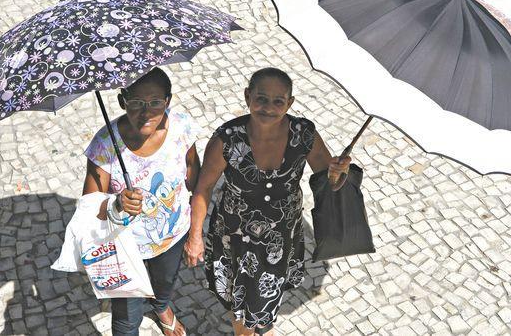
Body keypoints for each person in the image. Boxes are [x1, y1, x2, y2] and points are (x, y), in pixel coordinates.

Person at [183, 67, 350, 335]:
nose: (268, 108)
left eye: (278, 101)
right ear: (248, 96)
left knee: (267, 289)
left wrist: (337, 173)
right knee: (240, 297)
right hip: (236, 237)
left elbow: (326, 180)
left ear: (290, 103)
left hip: (282, 236)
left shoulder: (304, 134)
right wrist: (195, 236)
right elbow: (203, 188)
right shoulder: (227, 138)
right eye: (261, 98)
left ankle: (262, 322)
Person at [83, 67, 199, 336]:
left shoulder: (182, 127)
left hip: (172, 234)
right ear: (122, 101)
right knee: (125, 319)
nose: (145, 113)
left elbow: (193, 172)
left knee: (164, 282)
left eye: (155, 103)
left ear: (168, 101)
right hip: (124, 248)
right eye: (135, 103)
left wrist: (196, 229)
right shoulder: (105, 144)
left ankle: (161, 306)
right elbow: (89, 206)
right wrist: (116, 203)